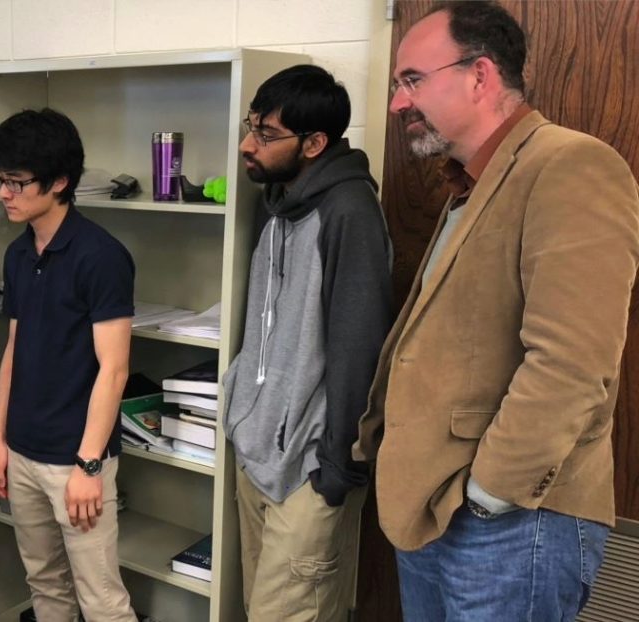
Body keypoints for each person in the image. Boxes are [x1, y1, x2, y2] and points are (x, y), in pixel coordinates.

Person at [354, 2, 639, 618]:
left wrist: (489, 493)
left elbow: (573, 361)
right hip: (434, 511)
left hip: (509, 524)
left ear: (480, 75)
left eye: (412, 81)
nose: (398, 102)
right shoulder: (472, 183)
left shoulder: (569, 164)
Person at [220, 65, 393, 621]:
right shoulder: (279, 205)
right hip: (258, 453)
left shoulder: (348, 213)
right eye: (252, 126)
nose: (249, 145)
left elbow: (359, 349)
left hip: (308, 472)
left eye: (267, 136)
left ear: (315, 143)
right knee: (259, 610)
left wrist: (337, 470)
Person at [0, 108, 137, 622]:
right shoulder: (19, 253)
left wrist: (89, 466)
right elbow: (14, 352)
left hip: (76, 458)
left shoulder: (102, 256)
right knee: (44, 586)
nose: (4, 192)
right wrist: (0, 438)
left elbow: (113, 370)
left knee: (101, 598)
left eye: (17, 181)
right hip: (22, 449)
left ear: (60, 182)